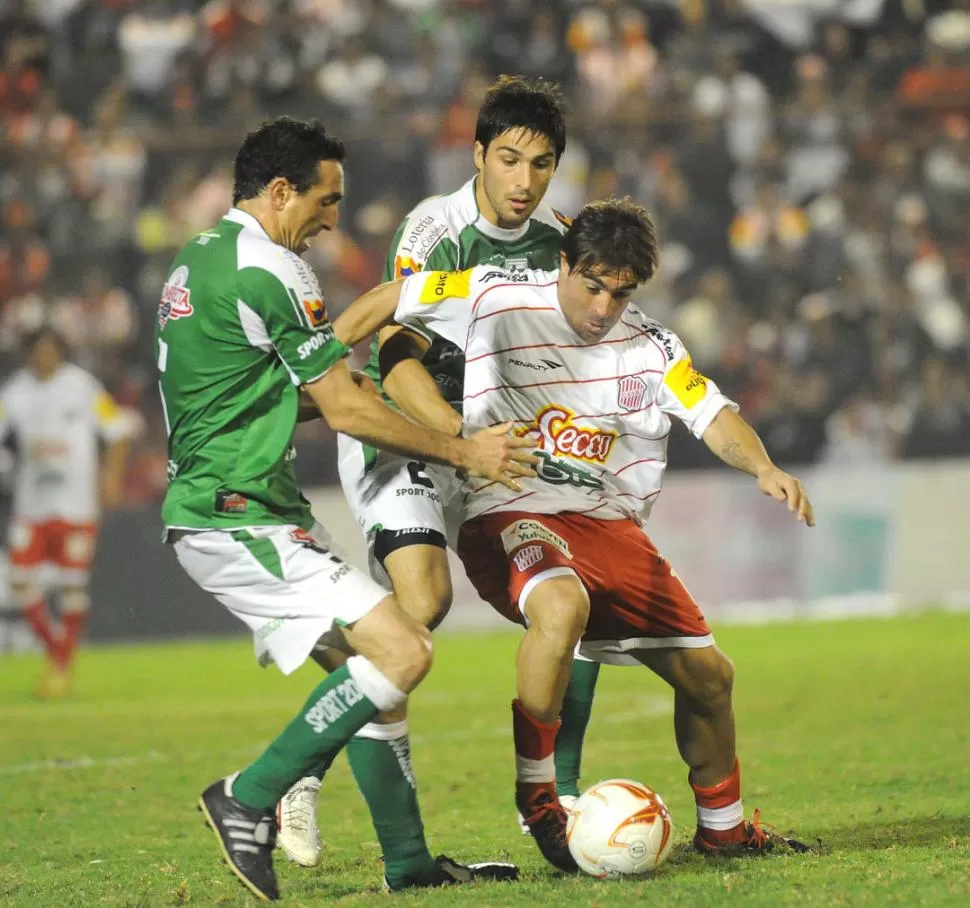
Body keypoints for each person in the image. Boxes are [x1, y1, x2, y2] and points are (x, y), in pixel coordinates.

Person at [329, 197, 814, 873]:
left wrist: (763, 465)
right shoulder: (495, 291)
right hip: (508, 509)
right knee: (560, 605)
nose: (603, 307)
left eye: (620, 293)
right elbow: (391, 296)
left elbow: (713, 414)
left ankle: (724, 830)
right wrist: (317, 364)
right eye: (592, 286)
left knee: (709, 678)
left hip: (609, 526)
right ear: (563, 264)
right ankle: (541, 800)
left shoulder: (652, 345)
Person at [157, 116, 534, 901]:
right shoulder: (274, 271)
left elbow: (264, 402)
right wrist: (465, 450)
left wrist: (348, 387)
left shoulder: (199, 259)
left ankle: (409, 867)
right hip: (238, 514)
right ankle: (251, 795)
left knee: (375, 678)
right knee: (406, 653)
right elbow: (344, 410)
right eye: (326, 201)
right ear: (282, 190)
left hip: (235, 507)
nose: (333, 218)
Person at [278, 72, 602, 867]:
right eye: (511, 160)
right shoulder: (435, 231)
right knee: (420, 606)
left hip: (493, 446)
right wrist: (461, 438)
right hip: (409, 437)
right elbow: (393, 364)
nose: (525, 182)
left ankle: (556, 811)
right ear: (480, 154)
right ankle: (298, 776)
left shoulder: (556, 244)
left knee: (581, 599)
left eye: (543, 165)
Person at [0, 325, 133, 697]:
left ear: (60, 352)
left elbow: (119, 429)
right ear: (29, 353)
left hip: (75, 505)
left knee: (72, 587)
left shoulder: (82, 386)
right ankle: (58, 654)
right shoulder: (15, 391)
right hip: (31, 504)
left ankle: (58, 667)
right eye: (39, 350)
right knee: (21, 581)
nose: (45, 356)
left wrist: (111, 478)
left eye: (51, 350)